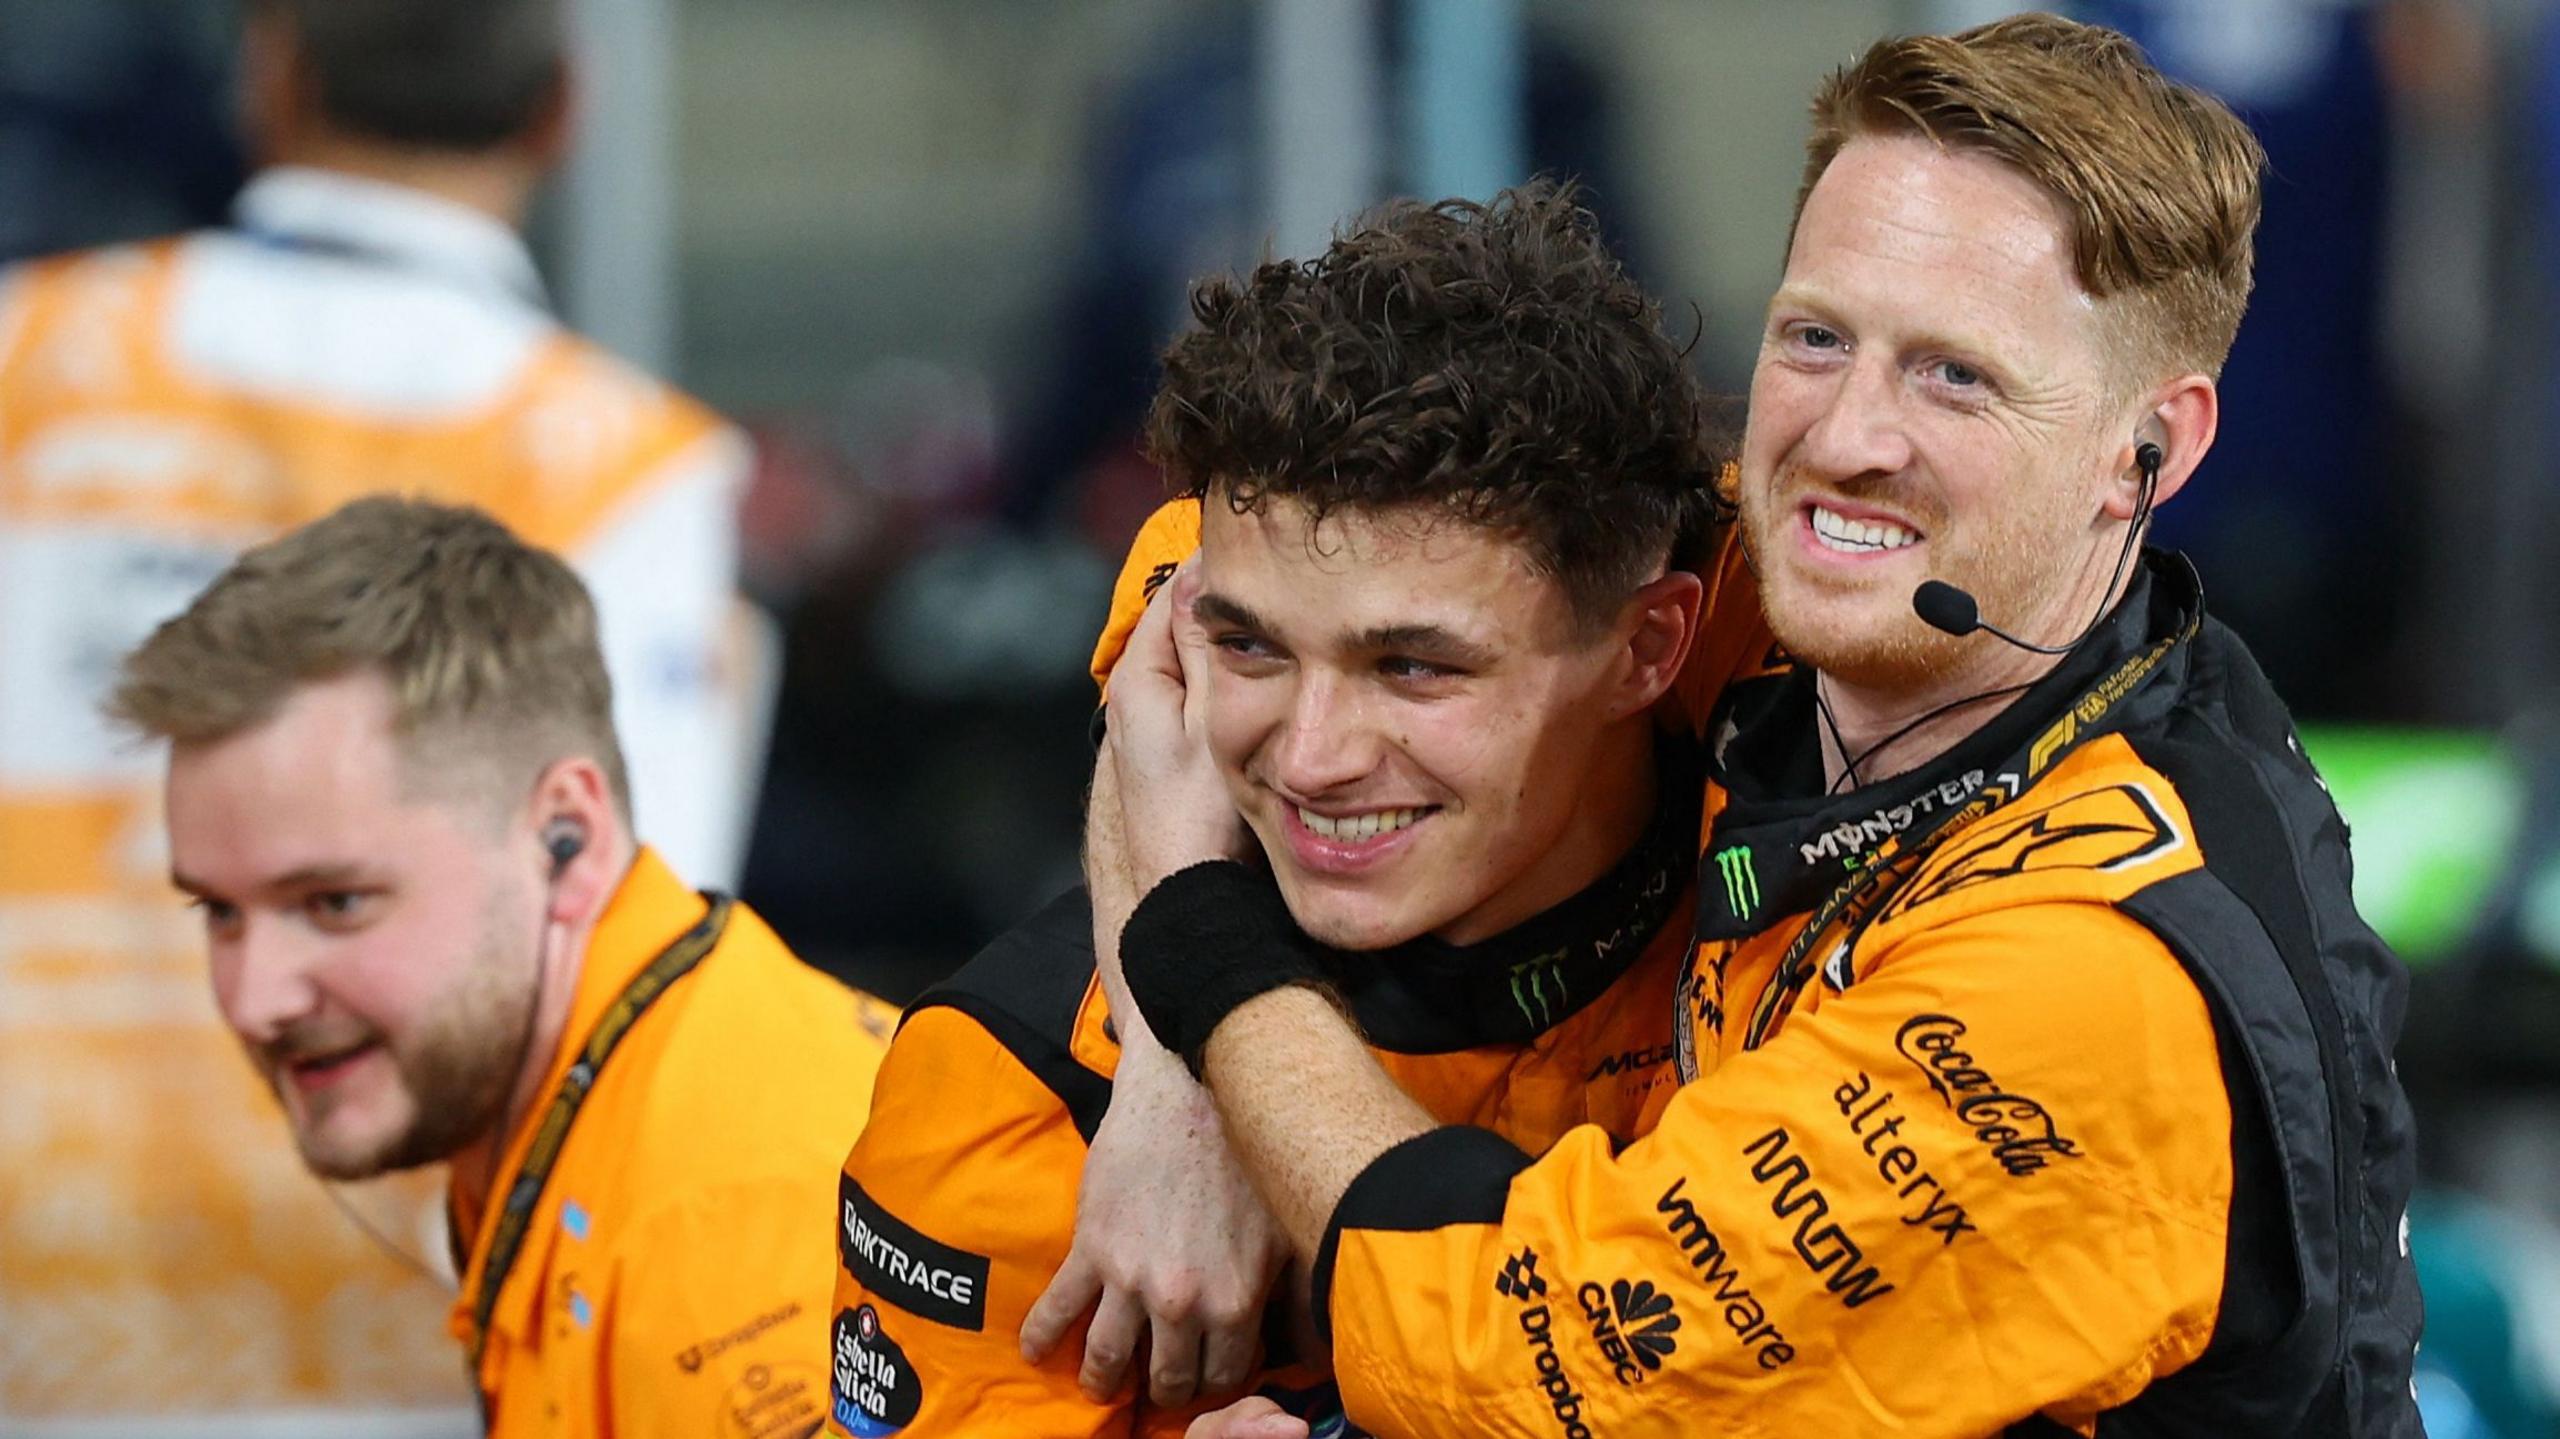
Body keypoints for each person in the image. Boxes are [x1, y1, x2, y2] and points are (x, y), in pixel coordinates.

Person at [1113, 15, 2424, 1437]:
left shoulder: (2101, 974)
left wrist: (1203, 962)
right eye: (1815, 336)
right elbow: (1224, 558)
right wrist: (1162, 1099)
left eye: (1955, 375)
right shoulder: (1783, 581)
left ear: (2146, 447)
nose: (1846, 437)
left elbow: (1500, 1356)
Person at [821, 183, 1771, 1436]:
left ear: (1651, 646)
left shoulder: (1824, 943)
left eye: (1414, 667)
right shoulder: (1022, 1086)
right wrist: (1173, 1070)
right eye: (1253, 648)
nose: (1312, 758)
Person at [0, 0, 756, 1417]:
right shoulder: (622, 462)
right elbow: (632, 951)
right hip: (400, 1310)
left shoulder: (21, 365)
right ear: (563, 112)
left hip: (32, 1288)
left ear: (268, 79)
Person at [107, 498, 891, 1438]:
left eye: (334, 902)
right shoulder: (616, 1086)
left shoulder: (720, 1232)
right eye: (219, 912)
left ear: (567, 837)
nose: (253, 998)